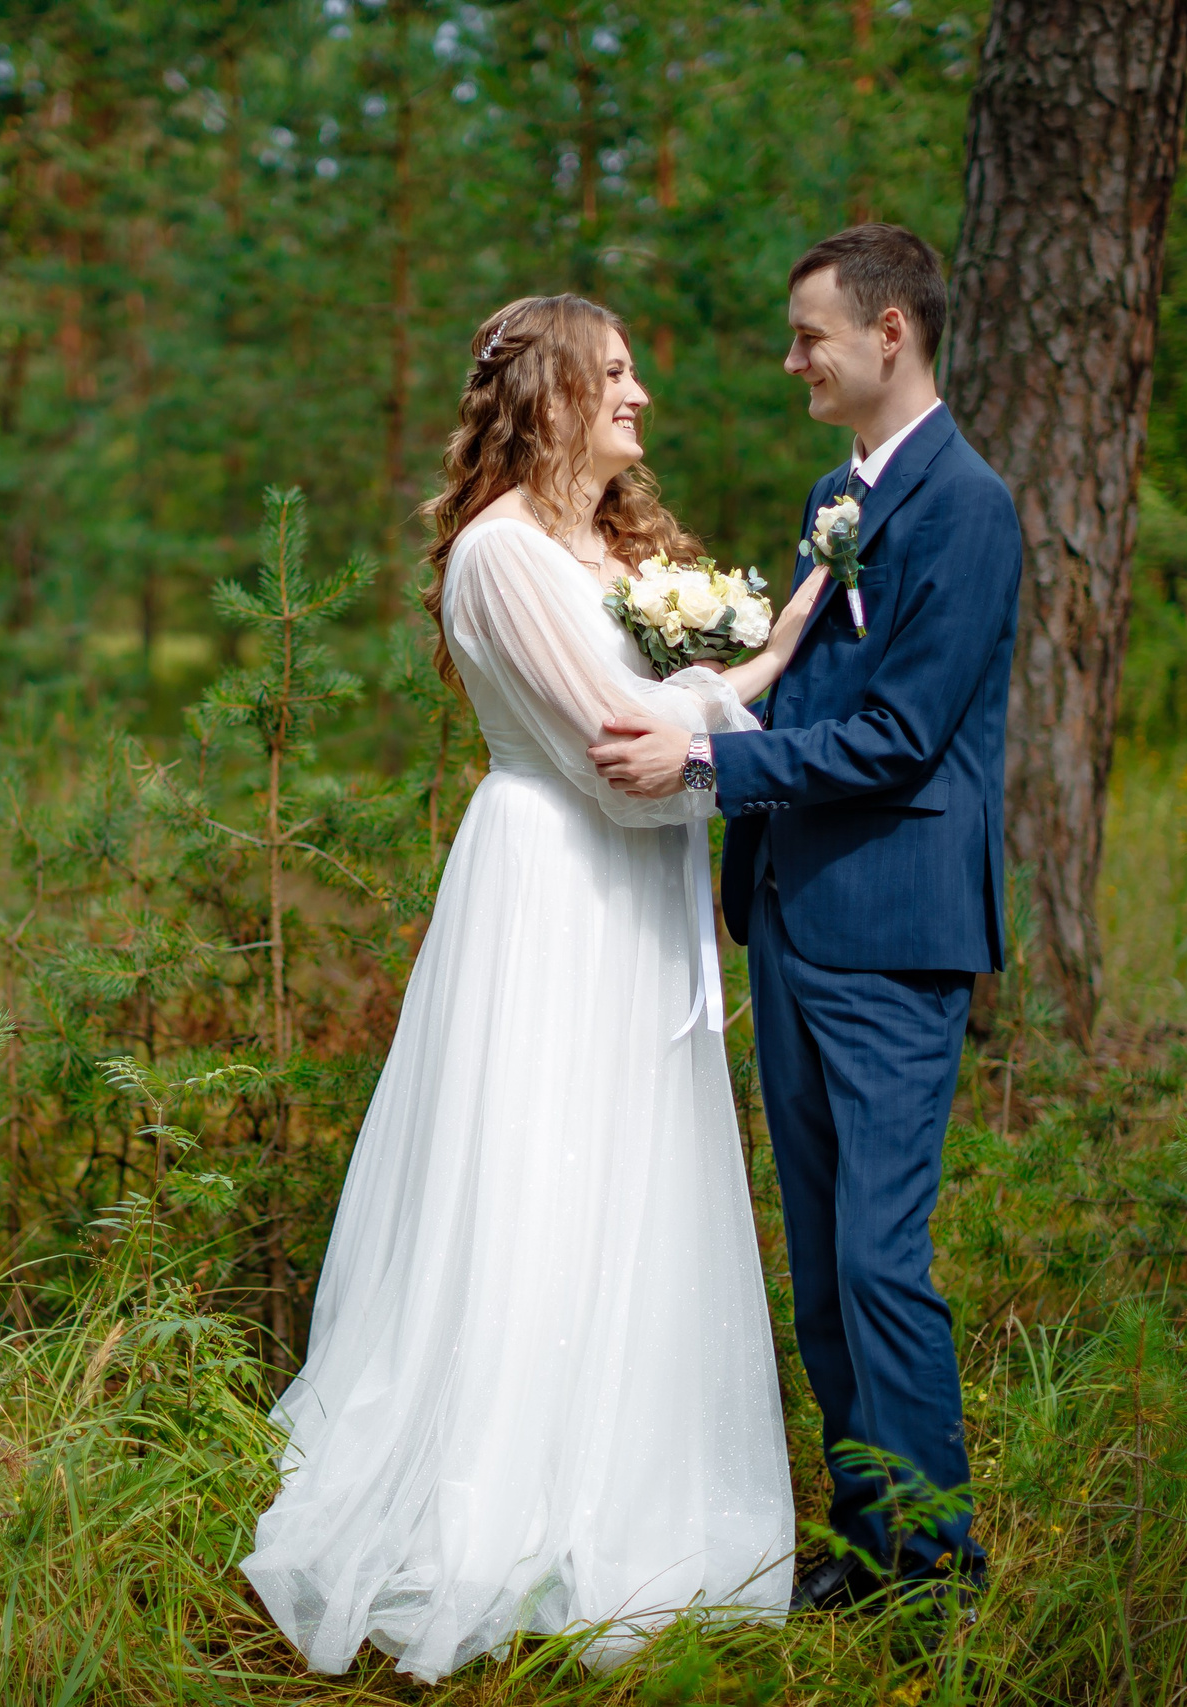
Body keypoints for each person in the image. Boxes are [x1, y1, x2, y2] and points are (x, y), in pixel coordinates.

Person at [239, 294, 830, 1683]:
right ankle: (505, 1507)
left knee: (632, 1182)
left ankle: (629, 1493)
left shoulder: (599, 545)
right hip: (558, 893)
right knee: (538, 1178)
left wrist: (764, 655)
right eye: (613, 376)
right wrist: (760, 692)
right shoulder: (503, 555)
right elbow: (612, 765)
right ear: (551, 394)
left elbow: (657, 735)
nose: (639, 398)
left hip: (628, 906)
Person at [591, 223, 1022, 1614]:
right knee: (825, 1257)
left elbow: (899, 738)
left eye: (810, 337)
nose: (794, 361)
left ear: (888, 333)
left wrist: (707, 765)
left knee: (881, 1261)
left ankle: (938, 1571)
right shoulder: (835, 495)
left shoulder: (967, 508)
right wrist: (696, 693)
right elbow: (799, 689)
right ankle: (865, 1536)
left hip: (894, 936)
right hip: (793, 916)